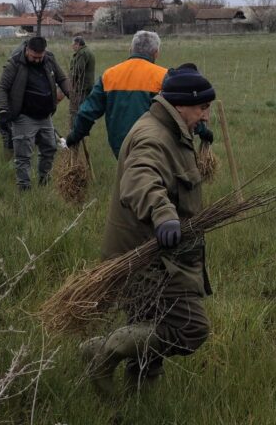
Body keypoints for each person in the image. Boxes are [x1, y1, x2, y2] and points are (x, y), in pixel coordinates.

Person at [80, 64, 216, 396]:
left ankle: (138, 403)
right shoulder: (153, 136)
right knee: (190, 329)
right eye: (202, 108)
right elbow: (141, 177)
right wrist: (163, 214)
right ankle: (102, 350)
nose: (206, 116)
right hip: (149, 258)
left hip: (151, 253)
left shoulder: (171, 129)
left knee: (148, 328)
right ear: (182, 104)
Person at [66, 30, 166, 158]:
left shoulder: (109, 76)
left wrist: (74, 137)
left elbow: (87, 112)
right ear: (156, 53)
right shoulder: (164, 77)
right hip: (154, 148)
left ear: (131, 50)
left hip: (121, 149)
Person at [0, 36, 71, 191]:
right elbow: (2, 88)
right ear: (27, 49)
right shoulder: (14, 63)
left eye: (40, 57)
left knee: (50, 148)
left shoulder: (49, 59)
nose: (37, 60)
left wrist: (71, 95)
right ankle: (24, 187)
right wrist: (2, 110)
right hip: (23, 116)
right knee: (23, 155)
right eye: (34, 57)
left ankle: (44, 180)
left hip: (45, 115)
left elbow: (62, 79)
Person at [68, 36, 96, 128]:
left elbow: (78, 70)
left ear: (78, 44)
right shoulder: (88, 51)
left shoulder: (82, 53)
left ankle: (76, 129)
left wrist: (72, 83)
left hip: (81, 86)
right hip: (88, 85)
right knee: (84, 108)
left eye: (73, 44)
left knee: (77, 110)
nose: (72, 47)